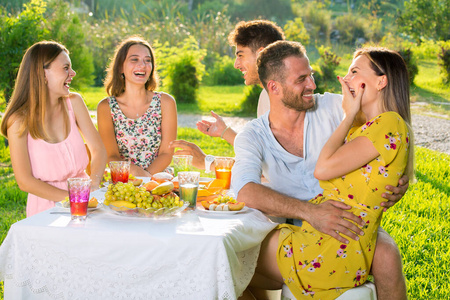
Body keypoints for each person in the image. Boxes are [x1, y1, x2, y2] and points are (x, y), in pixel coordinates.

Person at [233, 41, 411, 299]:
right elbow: (245, 192)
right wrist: (310, 212)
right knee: (230, 261)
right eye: (302, 79)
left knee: (387, 254)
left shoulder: (336, 108)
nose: (313, 85)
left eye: (312, 75)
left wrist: (396, 180)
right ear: (274, 87)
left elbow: (385, 130)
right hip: (293, 224)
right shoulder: (252, 136)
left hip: (345, 219)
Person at [0, 41, 107, 217]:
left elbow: (98, 149)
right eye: (65, 68)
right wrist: (73, 200)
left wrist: (93, 186)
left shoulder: (74, 102)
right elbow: (25, 181)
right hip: (46, 208)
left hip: (87, 200)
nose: (73, 73)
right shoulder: (18, 120)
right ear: (42, 74)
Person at [169, 20, 284, 169]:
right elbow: (257, 154)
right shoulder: (266, 95)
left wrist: (207, 162)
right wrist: (225, 132)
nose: (236, 64)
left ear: (262, 54)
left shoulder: (282, 99)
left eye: (241, 55)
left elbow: (266, 170)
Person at [97, 36, 177, 177]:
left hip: (159, 181)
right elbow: (112, 156)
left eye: (148, 60)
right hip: (124, 182)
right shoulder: (106, 107)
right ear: (121, 66)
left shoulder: (166, 102)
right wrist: (136, 176)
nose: (142, 65)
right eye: (134, 59)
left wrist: (146, 179)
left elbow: (166, 154)